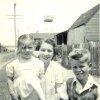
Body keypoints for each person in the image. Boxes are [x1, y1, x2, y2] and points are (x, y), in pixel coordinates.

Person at [6, 34, 46, 100]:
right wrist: (12, 93)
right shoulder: (14, 64)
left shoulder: (39, 63)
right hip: (18, 96)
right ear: (18, 48)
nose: (27, 50)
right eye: (23, 48)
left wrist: (42, 94)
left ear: (34, 47)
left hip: (34, 95)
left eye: (30, 47)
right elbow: (9, 79)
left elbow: (42, 79)